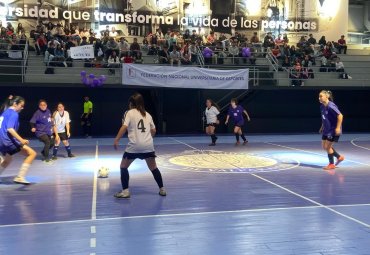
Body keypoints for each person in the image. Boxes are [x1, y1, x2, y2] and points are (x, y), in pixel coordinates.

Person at [113, 92, 166, 198]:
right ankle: (162, 189)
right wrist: (146, 138)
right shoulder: (148, 114)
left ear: (131, 104)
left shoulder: (129, 113)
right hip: (148, 146)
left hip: (134, 146)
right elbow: (154, 131)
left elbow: (124, 126)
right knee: (154, 168)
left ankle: (125, 191)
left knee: (123, 166)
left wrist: (117, 139)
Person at [0, 96, 37, 184]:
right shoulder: (14, 114)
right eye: (21, 105)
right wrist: (21, 140)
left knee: (7, 160)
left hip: (1, 142)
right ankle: (20, 177)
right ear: (15, 104)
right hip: (7, 141)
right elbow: (10, 129)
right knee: (32, 153)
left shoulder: (4, 113)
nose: (22, 107)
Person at [319, 90, 344, 170]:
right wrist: (322, 126)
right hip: (326, 129)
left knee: (327, 147)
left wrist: (337, 128)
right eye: (319, 96)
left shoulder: (331, 106)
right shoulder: (322, 106)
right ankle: (339, 157)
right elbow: (324, 117)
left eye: (321, 96)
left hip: (333, 130)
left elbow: (340, 116)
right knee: (324, 146)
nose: (319, 98)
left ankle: (331, 164)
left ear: (327, 96)